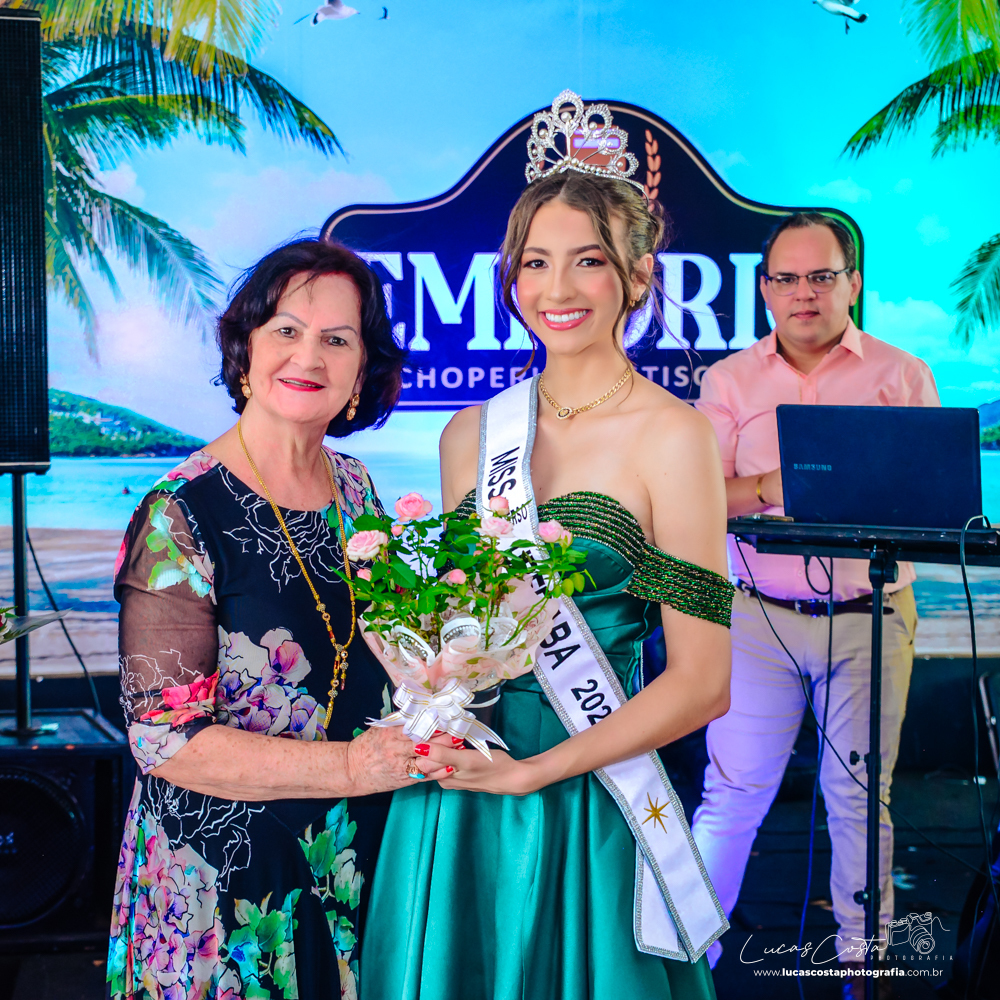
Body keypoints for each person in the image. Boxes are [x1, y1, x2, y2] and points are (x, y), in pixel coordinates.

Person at [361, 92, 734, 1000]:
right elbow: (454, 620)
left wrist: (535, 774)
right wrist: (418, 672)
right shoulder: (471, 434)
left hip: (585, 783)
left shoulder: (674, 436)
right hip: (459, 780)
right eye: (535, 262)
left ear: (636, 277)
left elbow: (704, 681)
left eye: (588, 261)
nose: (556, 290)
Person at [107, 239, 440, 1000]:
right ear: (246, 348)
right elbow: (163, 740)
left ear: (362, 368)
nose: (308, 356)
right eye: (287, 329)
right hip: (225, 882)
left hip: (350, 851)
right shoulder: (179, 513)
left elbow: (373, 647)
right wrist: (352, 768)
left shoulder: (354, 485)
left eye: (337, 339)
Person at [689, 213, 939, 990]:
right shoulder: (729, 381)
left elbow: (930, 499)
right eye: (787, 278)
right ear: (764, 289)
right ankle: (686, 955)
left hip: (869, 616)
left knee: (860, 797)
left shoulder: (902, 375)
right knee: (732, 793)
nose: (805, 293)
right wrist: (777, 487)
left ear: (852, 284)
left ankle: (866, 962)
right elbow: (698, 497)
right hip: (758, 616)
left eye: (822, 276)